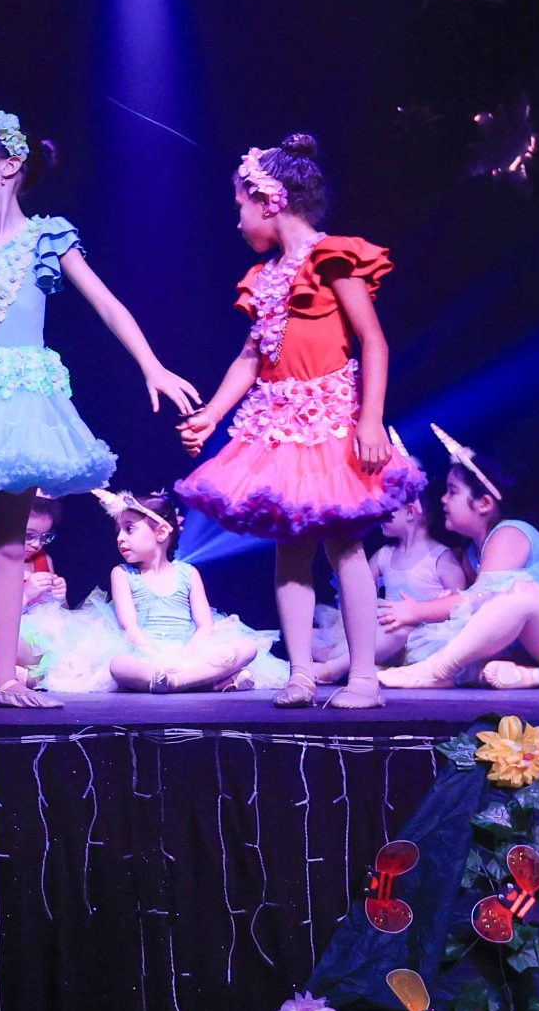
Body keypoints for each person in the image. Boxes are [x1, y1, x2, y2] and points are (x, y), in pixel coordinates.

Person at [0, 112, 200, 709]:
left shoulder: (48, 237)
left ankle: (7, 677)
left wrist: (151, 365)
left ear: (9, 166)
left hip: (28, 400)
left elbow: (107, 305)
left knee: (11, 540)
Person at [176, 136, 422, 708]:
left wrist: (371, 421)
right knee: (289, 546)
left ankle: (364, 679)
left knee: (343, 545)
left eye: (240, 206)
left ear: (270, 202)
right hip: (278, 427)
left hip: (332, 421)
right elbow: (251, 357)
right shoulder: (263, 277)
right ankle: (302, 674)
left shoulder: (331, 257)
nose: (237, 220)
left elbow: (374, 341)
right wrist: (212, 414)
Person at [379, 430, 539, 690]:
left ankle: (438, 671)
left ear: (484, 503)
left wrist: (417, 610)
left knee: (519, 595)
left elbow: (479, 599)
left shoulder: (510, 533)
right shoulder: (472, 555)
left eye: (452, 492)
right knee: (472, 639)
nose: (443, 499)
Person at [88, 490, 276, 692]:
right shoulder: (122, 574)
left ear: (161, 532)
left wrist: (185, 657)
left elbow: (205, 625)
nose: (120, 538)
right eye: (118, 531)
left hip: (190, 652)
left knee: (248, 647)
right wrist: (156, 657)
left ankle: (177, 682)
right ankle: (208, 682)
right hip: (145, 653)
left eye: (129, 529)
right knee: (119, 665)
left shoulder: (188, 573)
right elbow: (129, 626)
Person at [314, 482, 469, 680]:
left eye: (386, 509)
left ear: (410, 513)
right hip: (382, 631)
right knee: (311, 636)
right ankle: (358, 663)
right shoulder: (384, 555)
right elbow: (357, 592)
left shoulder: (441, 559)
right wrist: (373, 604)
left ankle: (333, 668)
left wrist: (434, 605)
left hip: (418, 636)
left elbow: (460, 607)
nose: (380, 514)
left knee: (399, 630)